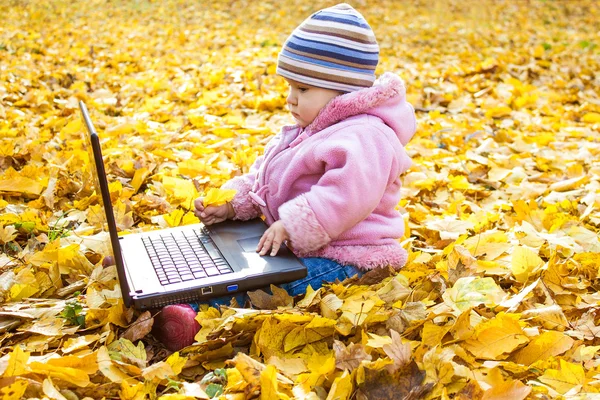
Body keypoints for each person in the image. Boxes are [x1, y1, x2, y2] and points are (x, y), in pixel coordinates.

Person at [152, 3, 417, 351]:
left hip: (348, 256)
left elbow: (347, 197)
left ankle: (198, 316)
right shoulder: (310, 128)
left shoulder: (366, 136)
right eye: (290, 87)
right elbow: (267, 178)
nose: (291, 99)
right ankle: (157, 278)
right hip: (291, 244)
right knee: (227, 251)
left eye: (303, 90)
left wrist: (292, 225)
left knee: (279, 289)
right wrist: (233, 204)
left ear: (342, 91)